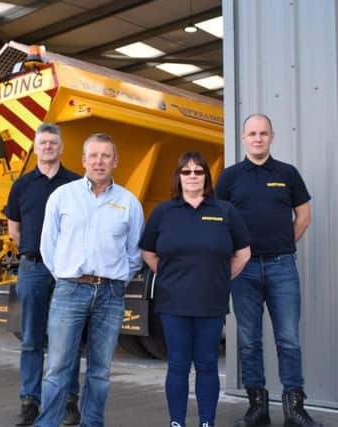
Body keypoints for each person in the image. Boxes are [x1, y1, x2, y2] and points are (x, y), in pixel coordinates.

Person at [215, 113, 320, 427]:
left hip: (281, 267)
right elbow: (221, 221)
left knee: (288, 339)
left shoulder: (287, 173)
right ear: (244, 138)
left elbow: (303, 216)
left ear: (272, 137)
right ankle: (257, 409)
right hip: (243, 271)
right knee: (249, 341)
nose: (258, 138)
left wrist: (285, 242)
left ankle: (294, 411)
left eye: (263, 133)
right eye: (252, 133)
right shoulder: (230, 177)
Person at [36, 132, 144, 427]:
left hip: (111, 294)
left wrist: (117, 278)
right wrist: (66, 276)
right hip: (70, 290)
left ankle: (92, 423)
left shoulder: (129, 203)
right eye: (93, 156)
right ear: (84, 160)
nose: (99, 161)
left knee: (100, 370)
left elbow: (135, 252)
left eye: (105, 156)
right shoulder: (62, 196)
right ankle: (47, 423)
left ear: (115, 161)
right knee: (57, 366)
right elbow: (48, 246)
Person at [138, 152, 251, 427]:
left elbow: (244, 252)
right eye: (186, 172)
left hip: (210, 301)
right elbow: (148, 252)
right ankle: (177, 422)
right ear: (178, 177)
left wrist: (222, 279)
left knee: (207, 365)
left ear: (206, 177)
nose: (192, 177)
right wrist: (168, 277)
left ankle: (206, 422)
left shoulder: (225, 211)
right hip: (173, 302)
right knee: (177, 365)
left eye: (198, 172)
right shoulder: (164, 212)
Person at [5, 123, 82, 426]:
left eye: (53, 142)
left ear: (61, 147)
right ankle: (30, 402)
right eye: (43, 143)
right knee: (31, 339)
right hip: (33, 267)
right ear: (35, 148)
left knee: (68, 340)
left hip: (67, 272)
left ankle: (68, 402)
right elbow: (14, 229)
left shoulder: (76, 184)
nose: (48, 147)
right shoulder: (22, 185)